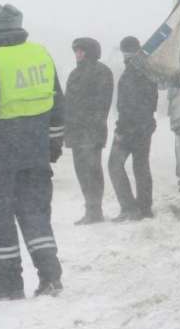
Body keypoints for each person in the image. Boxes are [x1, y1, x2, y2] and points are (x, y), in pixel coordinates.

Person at [0, 4, 65, 302]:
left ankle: (9, 282)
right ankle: (50, 277)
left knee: (0, 217)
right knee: (35, 215)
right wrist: (54, 143)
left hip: (0, 158)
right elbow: (57, 105)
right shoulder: (41, 55)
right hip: (35, 153)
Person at [108, 36, 158, 221]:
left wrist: (121, 129)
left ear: (125, 52)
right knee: (141, 166)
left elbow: (128, 105)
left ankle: (129, 208)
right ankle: (145, 208)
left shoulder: (132, 72)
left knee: (114, 165)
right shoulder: (147, 69)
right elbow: (150, 102)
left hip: (130, 128)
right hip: (144, 126)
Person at [65, 37, 114, 225]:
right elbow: (69, 102)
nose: (77, 54)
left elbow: (102, 103)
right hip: (76, 131)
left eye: (80, 51)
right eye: (76, 51)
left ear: (90, 52)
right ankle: (90, 209)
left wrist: (89, 124)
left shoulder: (101, 72)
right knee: (81, 171)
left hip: (91, 131)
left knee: (92, 171)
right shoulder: (74, 74)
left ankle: (95, 211)